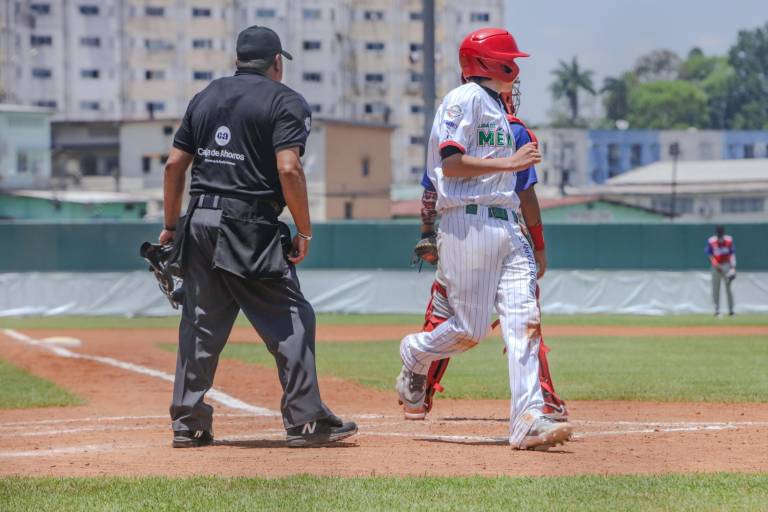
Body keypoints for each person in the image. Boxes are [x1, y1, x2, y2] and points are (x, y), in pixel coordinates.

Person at [160, 25, 357, 448]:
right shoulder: (285, 100)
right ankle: (305, 420)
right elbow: (289, 167)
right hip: (247, 224)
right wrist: (304, 229)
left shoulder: (205, 96)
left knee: (200, 323)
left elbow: (174, 165)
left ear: (238, 59)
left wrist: (172, 227)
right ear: (277, 62)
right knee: (292, 319)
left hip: (199, 220)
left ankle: (188, 423)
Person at [396, 28, 574, 450]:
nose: (515, 65)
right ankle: (415, 351)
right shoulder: (464, 99)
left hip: (507, 224)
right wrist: (511, 163)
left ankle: (528, 420)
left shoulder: (496, 107)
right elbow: (451, 163)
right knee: (470, 331)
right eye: (509, 58)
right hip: (469, 221)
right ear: (490, 62)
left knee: (524, 321)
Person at [706, 225, 736, 316]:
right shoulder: (711, 241)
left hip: (726, 265)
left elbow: (732, 254)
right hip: (716, 266)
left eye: (721, 233)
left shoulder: (729, 240)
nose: (720, 235)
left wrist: (733, 268)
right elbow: (709, 254)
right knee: (715, 288)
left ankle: (731, 310)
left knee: (729, 288)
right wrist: (715, 264)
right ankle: (717, 310)